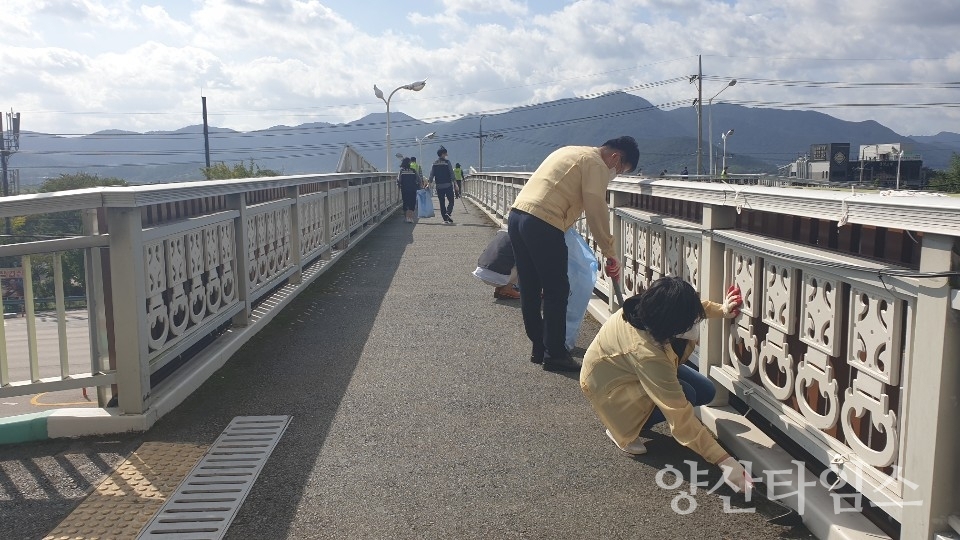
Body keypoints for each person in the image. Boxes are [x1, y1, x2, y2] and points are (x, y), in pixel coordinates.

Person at [579, 277, 751, 492]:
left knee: (705, 391)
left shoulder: (647, 307)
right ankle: (619, 429)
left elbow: (688, 308)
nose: (695, 322)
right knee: (686, 395)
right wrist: (725, 462)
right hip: (609, 388)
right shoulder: (648, 354)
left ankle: (638, 418)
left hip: (623, 369)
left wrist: (722, 310)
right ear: (671, 324)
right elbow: (679, 416)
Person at [508, 136, 639, 372]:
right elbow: (595, 206)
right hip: (544, 221)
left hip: (518, 216)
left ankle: (539, 348)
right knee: (557, 289)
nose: (615, 175)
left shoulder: (571, 150)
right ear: (615, 157)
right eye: (619, 170)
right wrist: (610, 250)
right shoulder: (597, 164)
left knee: (529, 286)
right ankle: (556, 354)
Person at [472, 229, 520, 299]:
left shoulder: (501, 233)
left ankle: (499, 288)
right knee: (523, 261)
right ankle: (507, 289)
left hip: (481, 272)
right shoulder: (519, 238)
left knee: (505, 257)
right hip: (496, 276)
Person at [429, 146, 457, 223]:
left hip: (439, 186)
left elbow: (431, 175)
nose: (447, 154)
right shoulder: (447, 162)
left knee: (442, 202)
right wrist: (455, 184)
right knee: (451, 200)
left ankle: (445, 218)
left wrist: (429, 183)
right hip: (448, 185)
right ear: (443, 154)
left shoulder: (434, 163)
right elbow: (452, 173)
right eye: (445, 153)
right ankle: (448, 213)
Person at [396, 157, 420, 223]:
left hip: (404, 189)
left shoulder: (401, 171)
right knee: (412, 203)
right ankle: (411, 218)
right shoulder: (413, 170)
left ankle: (407, 218)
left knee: (406, 203)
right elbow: (418, 179)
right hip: (413, 189)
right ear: (409, 163)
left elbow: (399, 180)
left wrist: (399, 186)